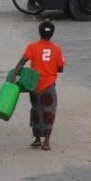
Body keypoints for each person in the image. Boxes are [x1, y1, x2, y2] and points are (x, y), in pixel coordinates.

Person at [11, 21, 65, 151]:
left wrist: (14, 74)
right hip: (49, 86)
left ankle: (36, 139)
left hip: (34, 86)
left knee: (36, 109)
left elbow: (23, 61)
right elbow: (61, 68)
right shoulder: (57, 49)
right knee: (49, 112)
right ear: (52, 34)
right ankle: (46, 142)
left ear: (39, 32)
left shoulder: (32, 47)